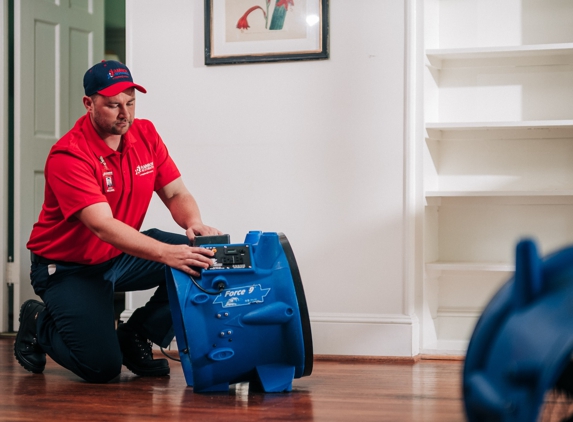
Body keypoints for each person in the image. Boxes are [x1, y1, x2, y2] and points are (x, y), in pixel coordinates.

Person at [14, 60, 221, 383]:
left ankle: (135, 334)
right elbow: (102, 226)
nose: (125, 113)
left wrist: (192, 223)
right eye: (113, 105)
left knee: (201, 260)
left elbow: (175, 192)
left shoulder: (146, 134)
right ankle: (37, 319)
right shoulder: (69, 155)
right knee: (101, 368)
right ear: (89, 104)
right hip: (68, 268)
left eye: (130, 102)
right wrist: (167, 254)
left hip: (117, 256)